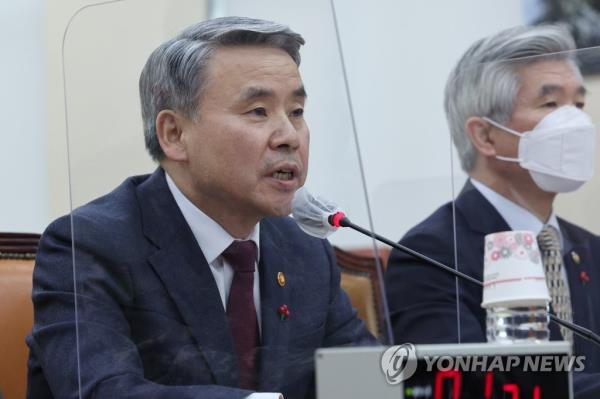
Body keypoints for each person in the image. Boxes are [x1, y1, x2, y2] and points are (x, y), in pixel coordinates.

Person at [27, 16, 376, 399]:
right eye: (258, 111)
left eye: (296, 112)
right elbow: (102, 391)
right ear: (174, 135)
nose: (289, 137)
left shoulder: (305, 251)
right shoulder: (89, 245)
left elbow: (364, 379)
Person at [384, 24, 600, 396]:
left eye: (578, 105)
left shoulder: (591, 249)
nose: (575, 122)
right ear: (485, 135)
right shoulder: (431, 254)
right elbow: (472, 386)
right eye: (550, 104)